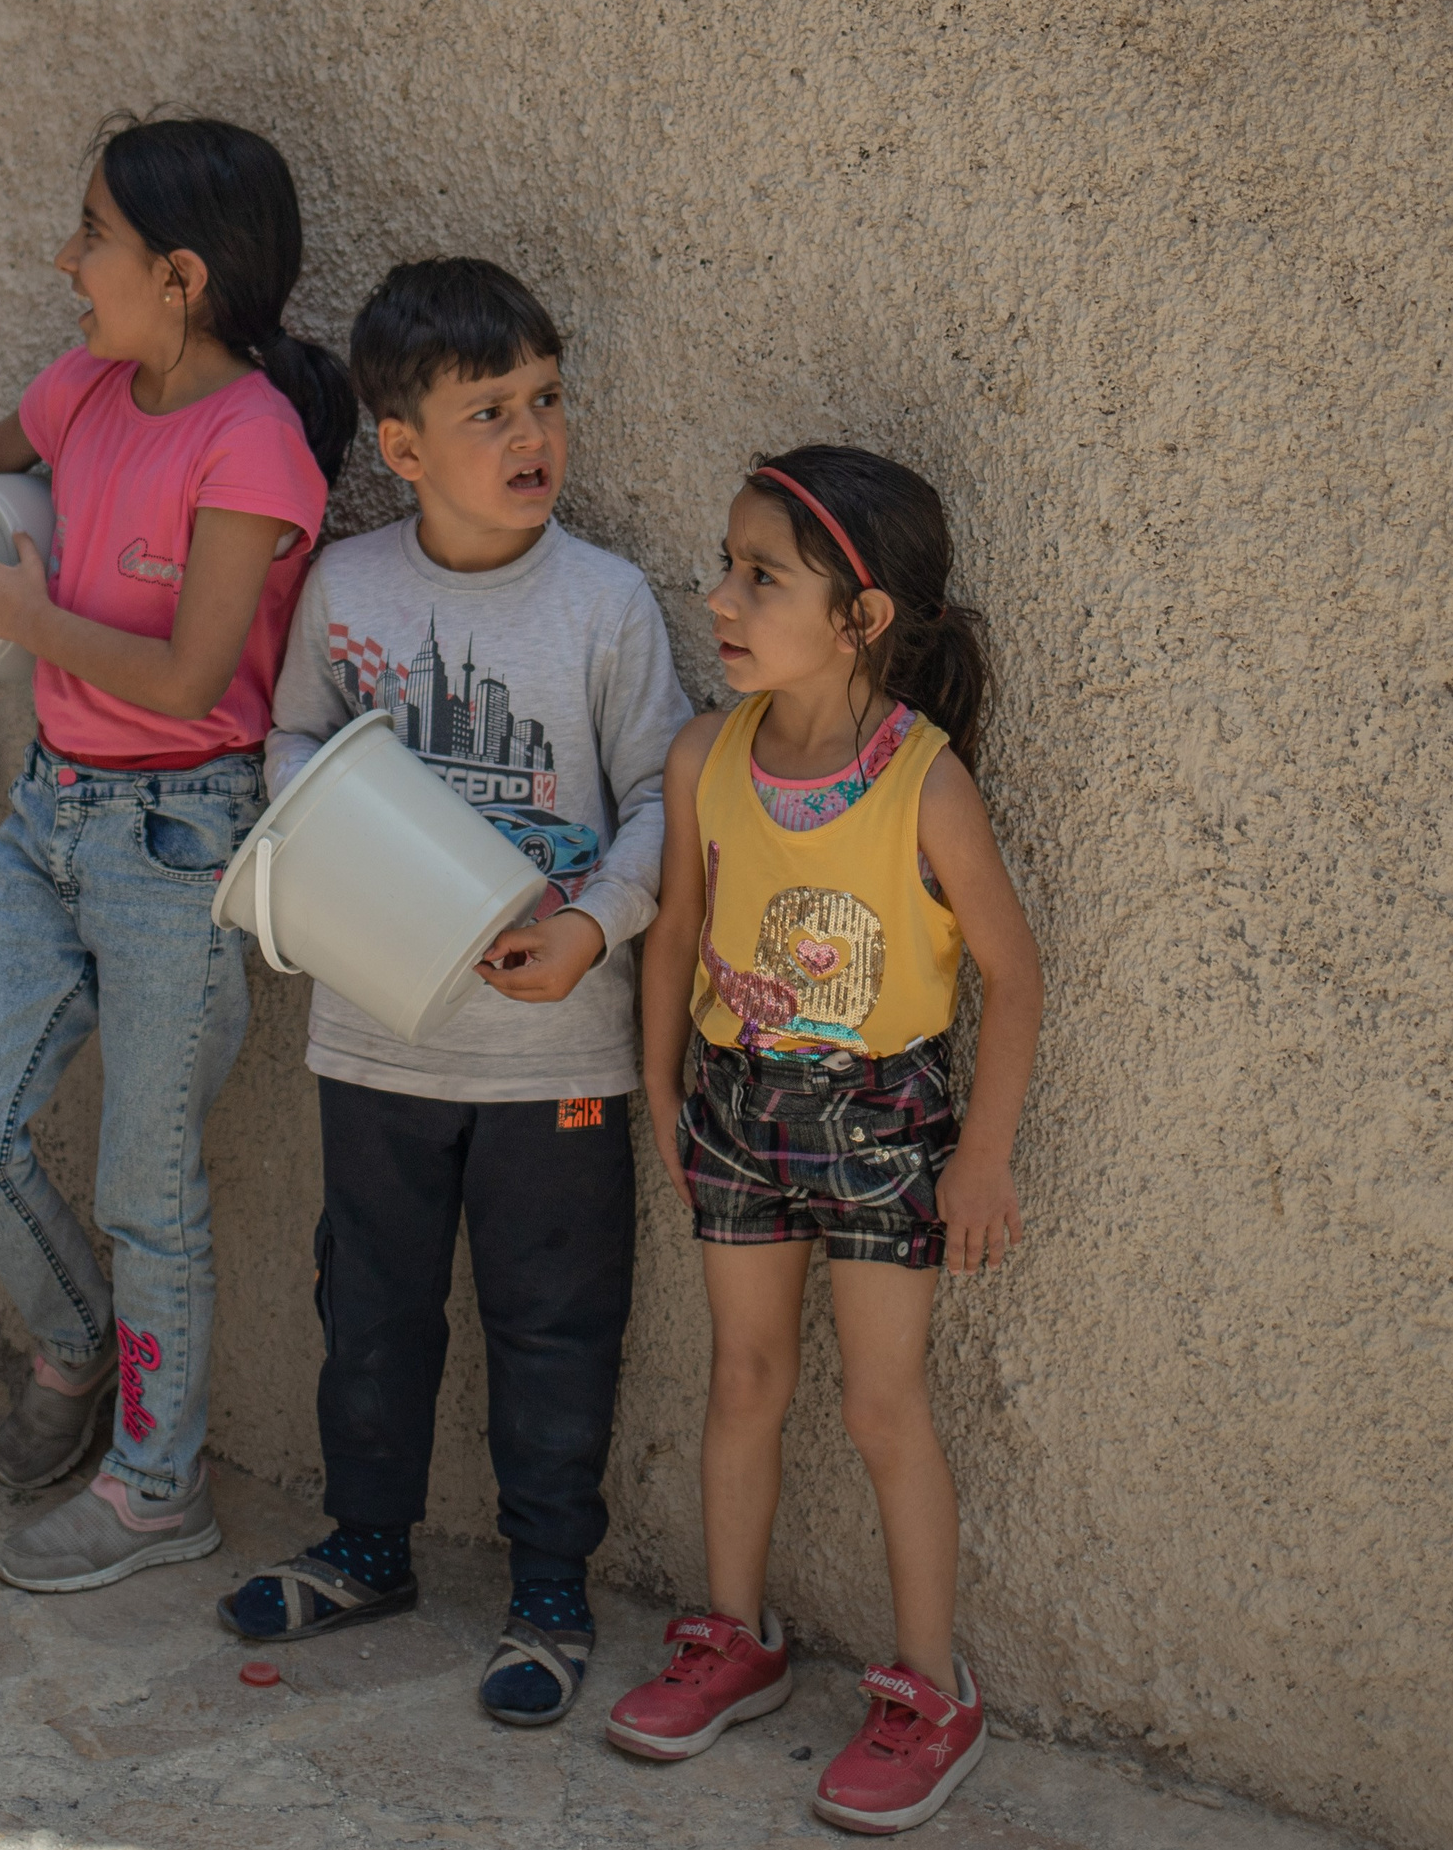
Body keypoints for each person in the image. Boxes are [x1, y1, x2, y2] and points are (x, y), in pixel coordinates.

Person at [212, 258, 690, 1728]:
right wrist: (344, 835)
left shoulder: (604, 603)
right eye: (491, 410)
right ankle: (370, 1546)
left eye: (547, 397)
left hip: (557, 1051)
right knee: (370, 1306)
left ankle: (551, 1585)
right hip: (377, 1039)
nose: (534, 431)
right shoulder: (350, 584)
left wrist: (596, 928)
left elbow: (666, 805)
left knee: (556, 1322)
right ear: (405, 446)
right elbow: (288, 744)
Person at [605, 446, 1042, 1836]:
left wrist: (980, 1153)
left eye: (760, 576)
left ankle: (929, 1686)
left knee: (879, 1402)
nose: (720, 597)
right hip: (738, 1112)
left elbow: (1013, 974)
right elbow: (676, 932)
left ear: (860, 620)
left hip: (885, 1121)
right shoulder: (704, 754)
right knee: (743, 1372)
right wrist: (662, 1093)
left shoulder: (924, 782)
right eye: (724, 565)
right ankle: (735, 1634)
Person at [0, 116, 354, 1589]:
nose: (63, 262)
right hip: (54, 810)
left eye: (91, 236)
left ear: (182, 275)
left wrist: (19, 620)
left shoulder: (254, 444)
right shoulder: (82, 386)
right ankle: (76, 1346)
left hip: (177, 843)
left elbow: (197, 678)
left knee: (147, 1185)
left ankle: (155, 1482)